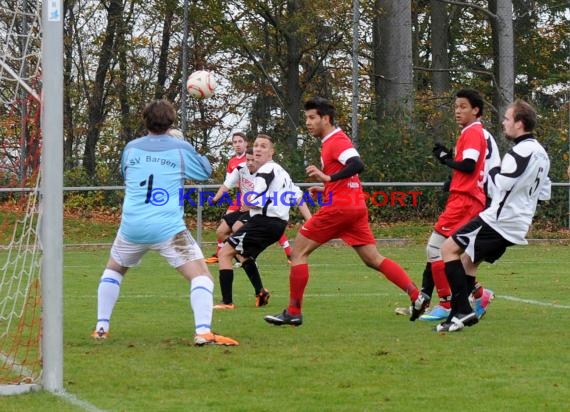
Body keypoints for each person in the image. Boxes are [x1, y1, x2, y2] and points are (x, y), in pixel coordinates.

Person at [264, 96, 423, 327]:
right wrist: (327, 185)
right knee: (373, 259)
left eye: (311, 118)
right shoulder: (331, 141)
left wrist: (329, 177)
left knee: (298, 253)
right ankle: (416, 296)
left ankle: (293, 311)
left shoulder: (335, 140)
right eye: (306, 118)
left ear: (325, 119)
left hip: (339, 209)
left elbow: (357, 164)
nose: (307, 123)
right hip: (355, 207)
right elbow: (347, 172)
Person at [91, 99, 238, 346]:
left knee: (114, 270)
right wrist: (185, 145)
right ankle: (203, 332)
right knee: (202, 276)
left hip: (132, 225)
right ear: (171, 122)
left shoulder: (131, 147)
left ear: (145, 121)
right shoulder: (179, 149)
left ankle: (101, 328)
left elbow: (125, 172)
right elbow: (204, 172)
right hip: (167, 227)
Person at [436, 99, 551, 332]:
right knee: (468, 261)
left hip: (499, 220)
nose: (504, 123)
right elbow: (544, 193)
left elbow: (501, 183)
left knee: (448, 249)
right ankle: (460, 316)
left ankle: (462, 310)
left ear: (519, 123)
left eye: (507, 119)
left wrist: (493, 170)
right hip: (516, 222)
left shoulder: (519, 152)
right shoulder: (542, 154)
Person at [410, 89, 491, 322]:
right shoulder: (469, 132)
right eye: (456, 107)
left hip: (465, 202)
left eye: (463, 106)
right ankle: (475, 295)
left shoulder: (474, 132)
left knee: (437, 249)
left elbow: (468, 165)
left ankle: (449, 304)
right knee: (454, 254)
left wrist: (445, 159)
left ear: (475, 110)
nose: (458, 111)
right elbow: (466, 169)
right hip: (463, 199)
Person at [216, 134, 312, 309]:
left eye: (263, 146)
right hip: (277, 226)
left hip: (263, 222)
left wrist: (250, 200)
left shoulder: (266, 170)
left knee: (225, 254)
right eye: (257, 146)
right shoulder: (281, 171)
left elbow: (257, 192)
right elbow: (298, 196)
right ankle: (260, 292)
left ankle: (227, 302)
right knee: (243, 255)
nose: (259, 149)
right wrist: (311, 222)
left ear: (271, 152)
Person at [206, 132, 293, 263]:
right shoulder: (236, 164)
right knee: (223, 227)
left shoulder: (263, 165)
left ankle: (246, 255)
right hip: (242, 200)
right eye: (234, 142)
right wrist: (215, 198)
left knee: (238, 227)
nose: (237, 145)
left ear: (246, 144)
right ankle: (230, 254)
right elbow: (228, 183)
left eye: (240, 141)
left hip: (255, 204)